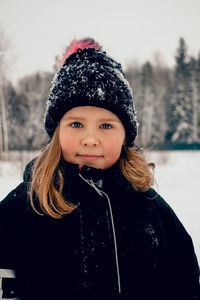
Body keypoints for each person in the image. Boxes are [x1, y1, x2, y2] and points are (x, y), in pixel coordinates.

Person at [0, 38, 199, 300]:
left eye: (106, 126)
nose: (90, 139)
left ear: (125, 135)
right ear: (57, 131)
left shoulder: (148, 204)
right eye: (76, 124)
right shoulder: (30, 203)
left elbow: (184, 277)